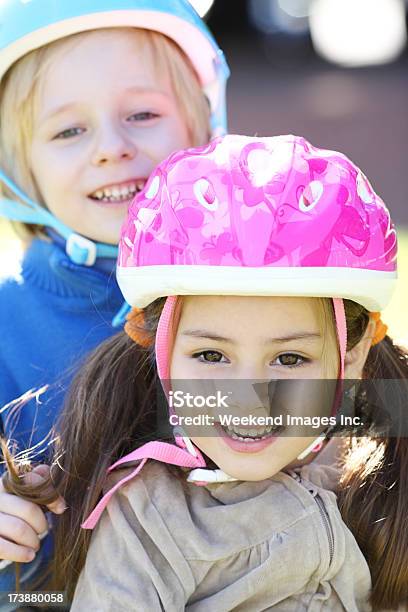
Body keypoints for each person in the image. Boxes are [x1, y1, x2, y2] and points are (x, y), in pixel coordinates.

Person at [6, 134, 406, 609]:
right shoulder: (147, 520)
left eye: (290, 359)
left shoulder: (380, 477)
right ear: (157, 349)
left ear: (354, 354)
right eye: (212, 357)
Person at [0, 0, 229, 598]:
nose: (111, 147)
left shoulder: (261, 284)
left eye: (143, 113)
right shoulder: (5, 323)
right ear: (19, 169)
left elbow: (368, 425)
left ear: (206, 125)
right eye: (69, 130)